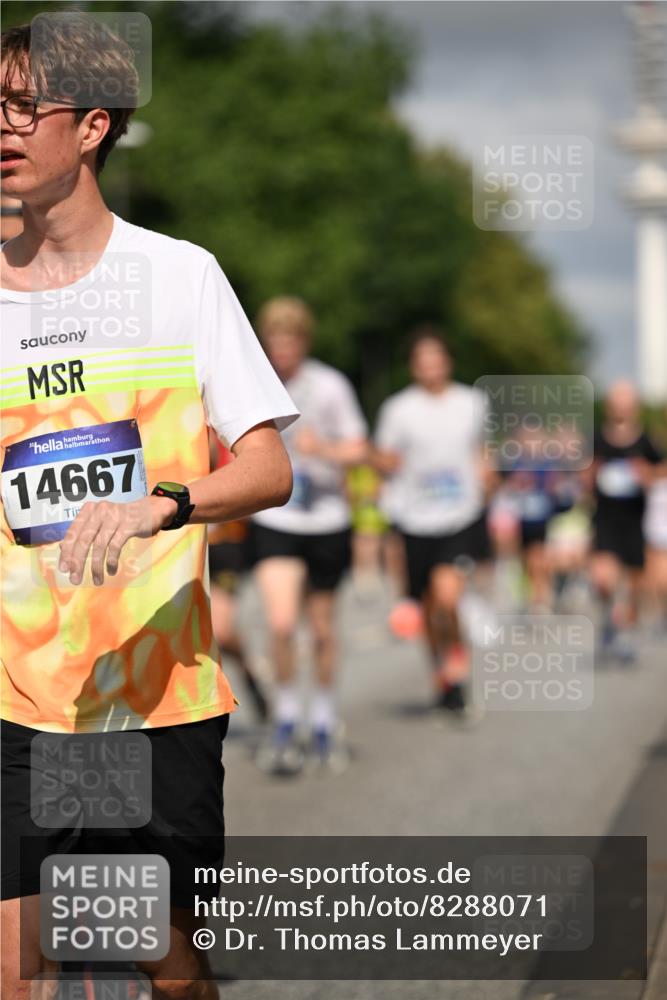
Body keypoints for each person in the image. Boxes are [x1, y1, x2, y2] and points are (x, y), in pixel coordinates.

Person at [1, 15, 297, 1000]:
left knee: (161, 963)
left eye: (18, 107)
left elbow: (265, 468)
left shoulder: (179, 277)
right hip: (16, 696)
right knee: (12, 964)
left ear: (90, 128)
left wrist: (160, 504)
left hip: (153, 692)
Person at [250, 296, 368, 773]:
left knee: (320, 628)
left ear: (304, 341)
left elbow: (360, 447)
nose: (282, 348)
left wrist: (327, 450)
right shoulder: (253, 383)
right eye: (274, 338)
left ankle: (322, 717)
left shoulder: (329, 385)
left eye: (290, 338)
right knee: (280, 623)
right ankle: (284, 717)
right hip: (275, 519)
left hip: (326, 520)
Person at [374, 327, 492, 717]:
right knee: (428, 608)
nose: (430, 366)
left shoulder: (472, 402)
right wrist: (384, 465)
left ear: (448, 361)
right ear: (413, 366)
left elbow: (482, 451)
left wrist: (487, 476)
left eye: (436, 357)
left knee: (447, 598)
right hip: (414, 518)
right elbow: (384, 458)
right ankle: (440, 675)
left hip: (460, 515)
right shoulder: (398, 409)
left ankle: (457, 673)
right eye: (422, 359)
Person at [588, 381, 664, 663]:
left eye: (626, 400)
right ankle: (610, 618)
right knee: (603, 579)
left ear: (634, 405)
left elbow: (660, 471)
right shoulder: (597, 438)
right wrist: (589, 476)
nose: (620, 405)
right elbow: (583, 476)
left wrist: (647, 474)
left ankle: (626, 631)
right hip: (605, 520)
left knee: (635, 584)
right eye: (616, 399)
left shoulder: (646, 440)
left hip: (635, 521)